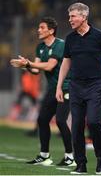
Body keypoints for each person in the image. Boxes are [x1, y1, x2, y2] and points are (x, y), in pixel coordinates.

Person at [56, 3, 101, 175]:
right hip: (75, 86)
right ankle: (81, 164)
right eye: (69, 16)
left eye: (73, 16)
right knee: (76, 126)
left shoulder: (100, 36)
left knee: (93, 122)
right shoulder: (70, 38)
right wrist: (59, 87)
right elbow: (66, 63)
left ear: (84, 17)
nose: (70, 19)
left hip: (95, 85)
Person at [10, 17, 75, 166]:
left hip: (66, 87)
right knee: (42, 120)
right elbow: (36, 70)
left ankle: (70, 157)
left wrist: (29, 63)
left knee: (60, 121)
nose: (38, 30)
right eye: (39, 27)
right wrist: (25, 66)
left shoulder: (60, 45)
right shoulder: (40, 47)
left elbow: (50, 66)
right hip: (52, 89)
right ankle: (45, 155)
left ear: (51, 30)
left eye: (42, 27)